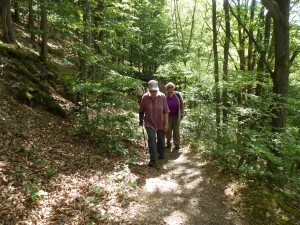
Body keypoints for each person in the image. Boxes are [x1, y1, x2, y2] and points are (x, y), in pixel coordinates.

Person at [139, 80, 169, 167]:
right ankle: (153, 159)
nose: (153, 93)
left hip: (161, 121)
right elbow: (141, 110)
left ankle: (161, 153)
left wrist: (166, 124)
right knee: (152, 140)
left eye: (155, 91)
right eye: (151, 91)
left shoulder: (162, 97)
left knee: (161, 140)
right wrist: (141, 119)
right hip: (149, 122)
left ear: (157, 90)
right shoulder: (145, 97)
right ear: (148, 90)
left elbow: (166, 111)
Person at [165, 82, 184, 149]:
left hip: (176, 116)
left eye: (171, 87)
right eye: (168, 87)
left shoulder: (178, 95)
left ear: (174, 88)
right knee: (168, 131)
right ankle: (168, 142)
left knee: (176, 130)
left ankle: (177, 144)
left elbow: (182, 103)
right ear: (166, 88)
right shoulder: (164, 96)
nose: (170, 88)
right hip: (167, 116)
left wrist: (182, 112)